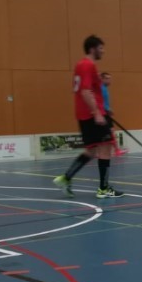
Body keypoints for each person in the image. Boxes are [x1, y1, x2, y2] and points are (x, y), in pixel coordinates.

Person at [53, 36, 124, 198]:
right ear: (92, 49)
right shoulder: (87, 65)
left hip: (84, 114)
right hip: (92, 115)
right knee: (106, 147)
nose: (103, 51)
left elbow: (89, 91)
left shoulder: (81, 65)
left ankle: (66, 178)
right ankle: (104, 188)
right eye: (101, 48)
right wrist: (97, 113)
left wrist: (104, 109)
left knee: (91, 150)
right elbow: (85, 91)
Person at [100, 72, 127, 156]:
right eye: (107, 78)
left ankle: (115, 150)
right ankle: (116, 150)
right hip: (103, 113)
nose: (109, 80)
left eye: (110, 78)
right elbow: (99, 102)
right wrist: (108, 109)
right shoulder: (101, 88)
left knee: (109, 132)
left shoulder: (104, 88)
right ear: (102, 79)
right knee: (110, 131)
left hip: (105, 113)